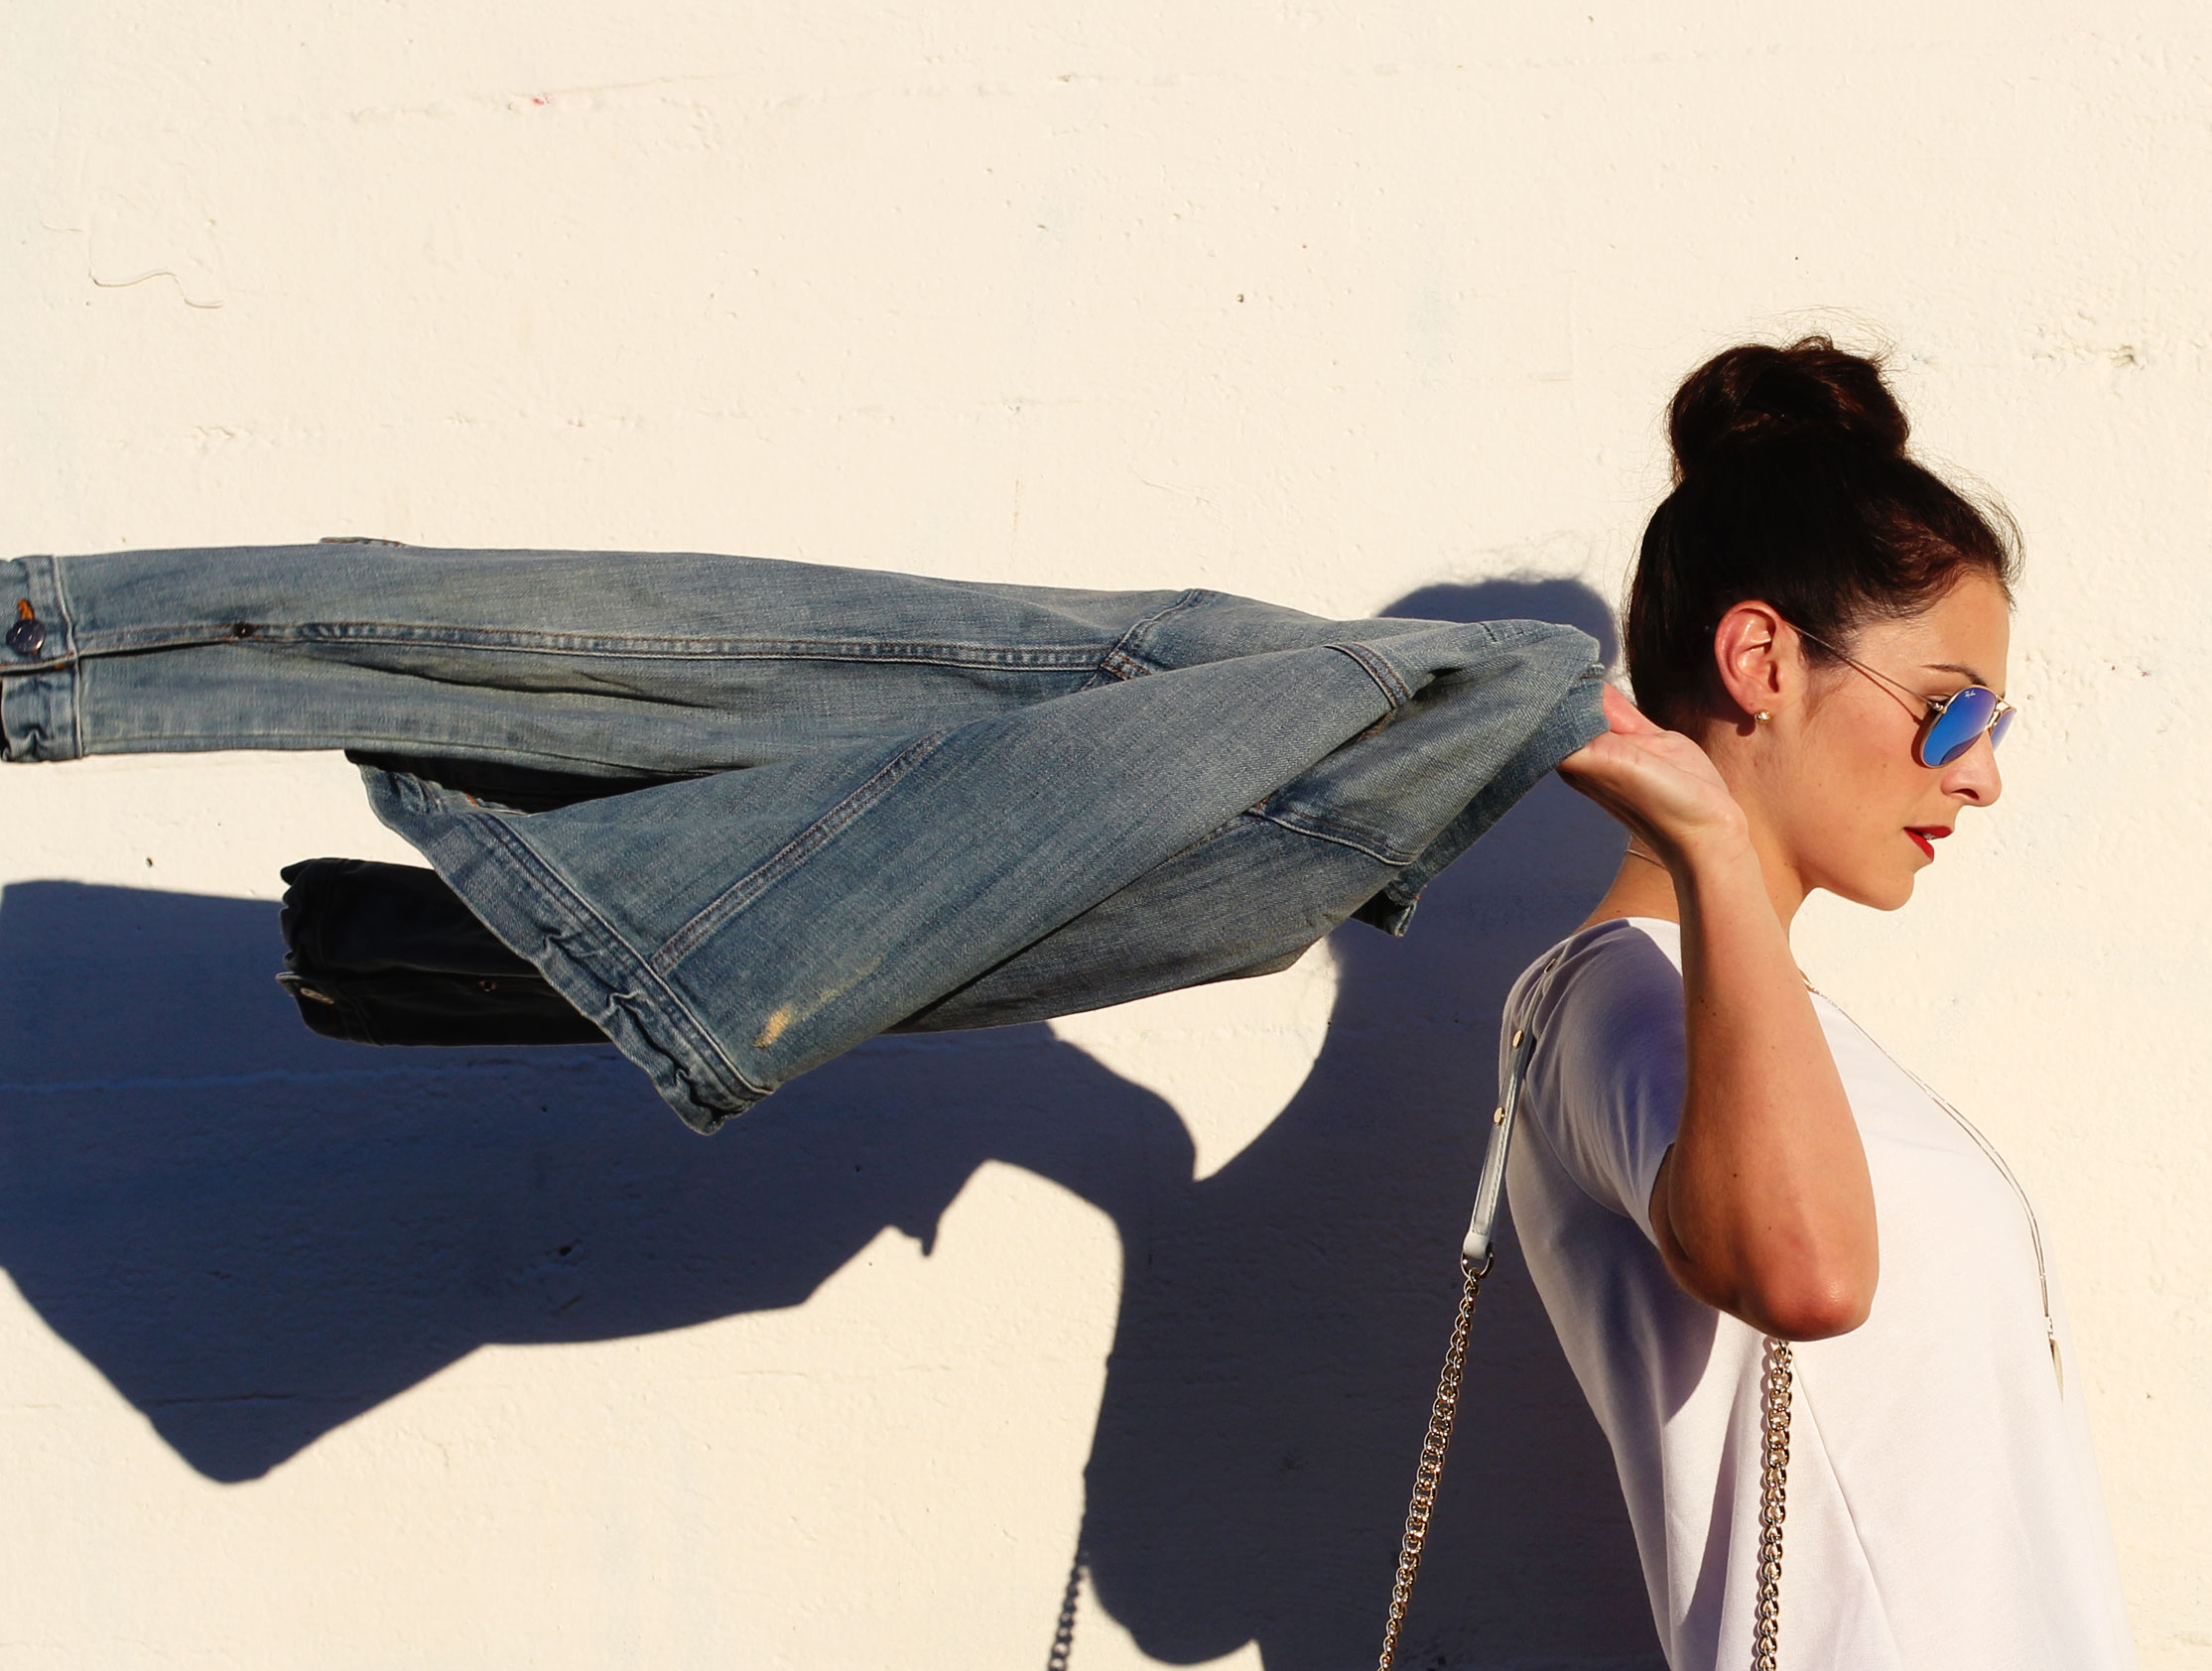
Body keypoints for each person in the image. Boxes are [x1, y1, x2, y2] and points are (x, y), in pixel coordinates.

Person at [1503, 339, 2158, 1671]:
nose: (1978, 771)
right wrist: (1706, 838)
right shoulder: (1618, 999)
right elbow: (1801, 1272)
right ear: (1760, 659)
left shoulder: (1762, 1012)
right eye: (1945, 709)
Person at [0, 545, 1604, 1129]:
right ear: (1757, 656)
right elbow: (681, 649)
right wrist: (59, 650)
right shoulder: (1467, 691)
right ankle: (46, 643)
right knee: (600, 654)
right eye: (1878, 712)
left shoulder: (1326, 831)